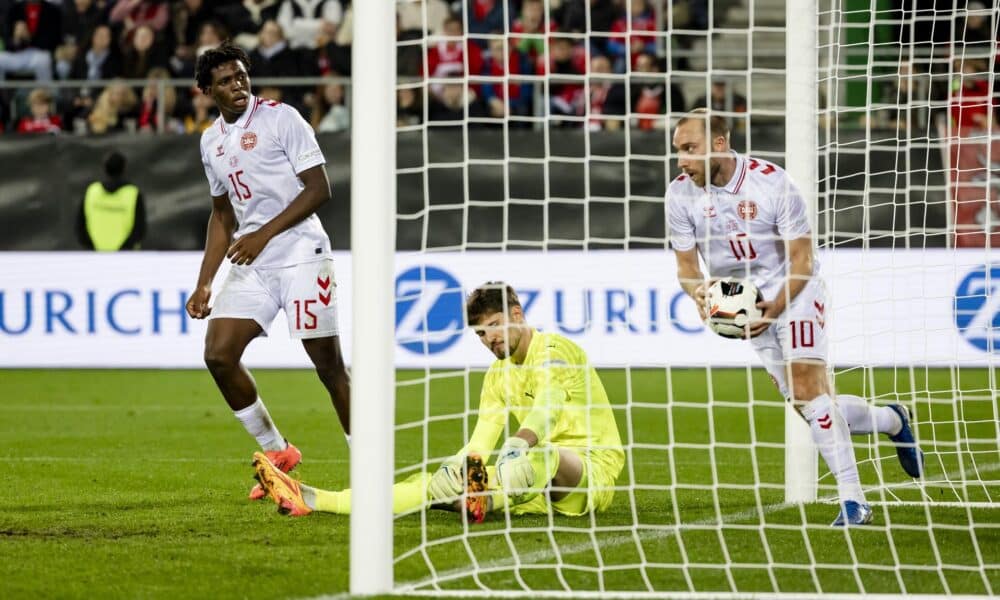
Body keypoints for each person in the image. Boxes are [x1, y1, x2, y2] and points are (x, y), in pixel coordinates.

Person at [666, 109, 924, 527]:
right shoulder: (679, 195)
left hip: (795, 291)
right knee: (810, 406)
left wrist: (777, 307)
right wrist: (701, 294)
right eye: (677, 151)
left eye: (689, 150)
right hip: (746, 308)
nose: (681, 160)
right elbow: (686, 269)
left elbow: (803, 258)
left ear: (718, 144)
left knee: (808, 388)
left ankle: (853, 501)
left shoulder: (771, 182)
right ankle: (892, 419)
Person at [252, 282, 625, 521]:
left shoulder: (557, 350)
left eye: (495, 325)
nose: (489, 338)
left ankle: (482, 501)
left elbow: (549, 403)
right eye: (480, 332)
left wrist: (519, 441)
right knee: (434, 485)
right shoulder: (497, 376)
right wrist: (459, 466)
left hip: (590, 471)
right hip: (530, 479)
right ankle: (313, 499)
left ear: (517, 315)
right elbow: (481, 442)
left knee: (544, 456)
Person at [185, 42, 351, 501]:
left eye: (241, 75)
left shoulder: (282, 117)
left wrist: (263, 234)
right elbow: (222, 215)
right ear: (206, 91)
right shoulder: (210, 140)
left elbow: (319, 189)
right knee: (218, 353)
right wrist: (204, 282)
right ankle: (278, 452)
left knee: (329, 366)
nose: (237, 85)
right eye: (225, 81)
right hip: (254, 263)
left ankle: (368, 465)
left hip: (302, 251)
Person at [76, 151, 146, 251]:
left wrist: (92, 248)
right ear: (124, 169)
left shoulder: (92, 191)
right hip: (126, 259)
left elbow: (80, 227)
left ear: (105, 168)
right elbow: (139, 229)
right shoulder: (133, 193)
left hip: (96, 257)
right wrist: (122, 251)